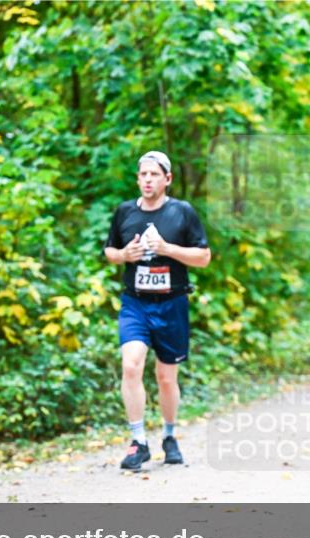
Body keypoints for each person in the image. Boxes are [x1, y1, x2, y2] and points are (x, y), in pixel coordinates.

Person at [104, 151, 210, 471]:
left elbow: (203, 257)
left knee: (166, 378)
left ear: (168, 179)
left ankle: (169, 435)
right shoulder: (124, 212)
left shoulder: (182, 213)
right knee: (131, 364)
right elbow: (109, 251)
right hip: (135, 303)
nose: (147, 179)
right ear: (137, 179)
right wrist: (124, 254)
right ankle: (139, 442)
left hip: (172, 303)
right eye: (143, 174)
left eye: (154, 174)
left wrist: (167, 249)